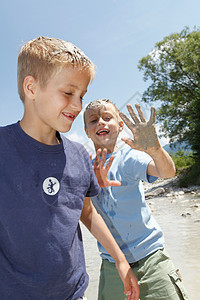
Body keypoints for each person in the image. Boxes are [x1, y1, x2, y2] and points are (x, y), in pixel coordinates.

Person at [0, 37, 139, 300]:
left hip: (74, 293)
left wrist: (120, 260)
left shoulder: (78, 155)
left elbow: (86, 211)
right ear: (31, 87)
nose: (77, 106)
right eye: (68, 93)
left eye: (81, 96)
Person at [84, 98, 189, 300]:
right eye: (93, 120)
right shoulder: (84, 168)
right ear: (87, 131)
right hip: (112, 263)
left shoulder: (130, 157)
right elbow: (77, 210)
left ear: (121, 125)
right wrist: (91, 184)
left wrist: (155, 149)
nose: (101, 123)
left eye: (107, 117)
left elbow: (167, 172)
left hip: (151, 258)